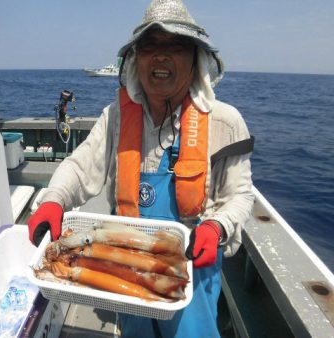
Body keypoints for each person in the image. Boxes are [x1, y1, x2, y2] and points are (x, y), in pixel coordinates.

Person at [28, 0, 255, 336]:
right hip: (125, 264)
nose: (160, 56)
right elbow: (79, 167)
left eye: (175, 46)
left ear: (195, 60)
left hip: (192, 266)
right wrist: (53, 199)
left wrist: (217, 227)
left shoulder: (225, 121)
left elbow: (239, 195)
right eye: (150, 46)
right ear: (136, 59)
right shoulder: (117, 116)